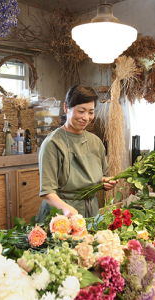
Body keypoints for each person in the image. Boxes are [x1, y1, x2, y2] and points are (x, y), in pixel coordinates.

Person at [36, 85, 118, 222]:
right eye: (81, 111)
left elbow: (102, 176)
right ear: (66, 108)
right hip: (60, 216)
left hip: (90, 212)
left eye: (91, 112)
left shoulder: (95, 142)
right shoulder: (52, 143)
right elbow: (47, 192)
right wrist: (65, 208)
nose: (86, 117)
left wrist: (105, 182)